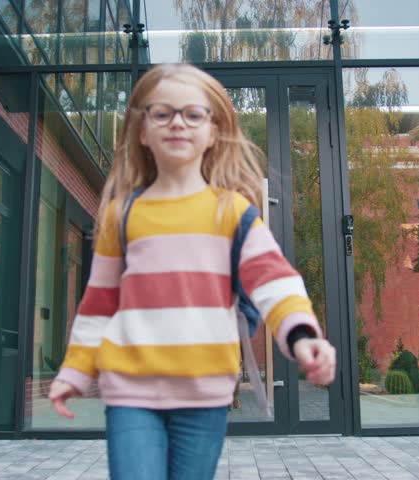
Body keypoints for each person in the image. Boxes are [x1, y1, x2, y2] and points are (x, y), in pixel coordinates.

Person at [48, 64, 336, 480]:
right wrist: (75, 371)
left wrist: (302, 334)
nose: (177, 123)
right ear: (142, 131)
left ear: (213, 131)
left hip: (205, 391)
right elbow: (99, 302)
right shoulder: (121, 214)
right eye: (162, 113)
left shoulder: (233, 212)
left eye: (193, 114)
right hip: (130, 388)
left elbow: (275, 282)